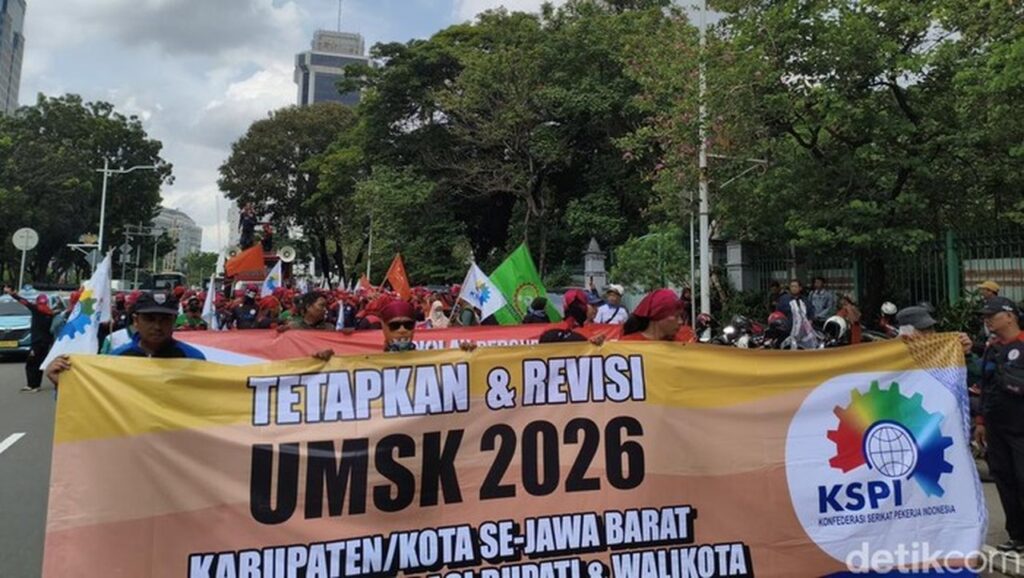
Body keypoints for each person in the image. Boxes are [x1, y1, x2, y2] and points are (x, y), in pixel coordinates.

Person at [46, 291, 206, 386]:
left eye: (164, 320)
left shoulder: (194, 359)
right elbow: (94, 399)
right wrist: (63, 383)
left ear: (174, 321)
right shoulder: (117, 358)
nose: (157, 326)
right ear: (136, 321)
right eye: (150, 319)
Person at [968, 297, 1024, 552]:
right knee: (1003, 478)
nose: (987, 320)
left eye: (992, 315)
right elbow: (985, 385)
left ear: (1010, 316)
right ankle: (1017, 535)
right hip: (996, 426)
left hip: (1020, 426)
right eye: (985, 316)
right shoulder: (992, 348)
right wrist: (981, 421)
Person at [4, 287, 55, 392]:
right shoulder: (50, 313)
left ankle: (32, 385)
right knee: (38, 363)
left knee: (31, 364)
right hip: (45, 343)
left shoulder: (36, 310)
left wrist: (12, 294)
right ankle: (36, 385)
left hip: (36, 342)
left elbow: (24, 302)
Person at [777, 279, 819, 349]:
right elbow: (779, 314)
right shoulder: (784, 299)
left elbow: (811, 312)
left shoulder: (805, 300)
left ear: (800, 288)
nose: (793, 288)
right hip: (788, 331)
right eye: (792, 286)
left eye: (795, 286)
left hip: (804, 332)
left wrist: (810, 322)